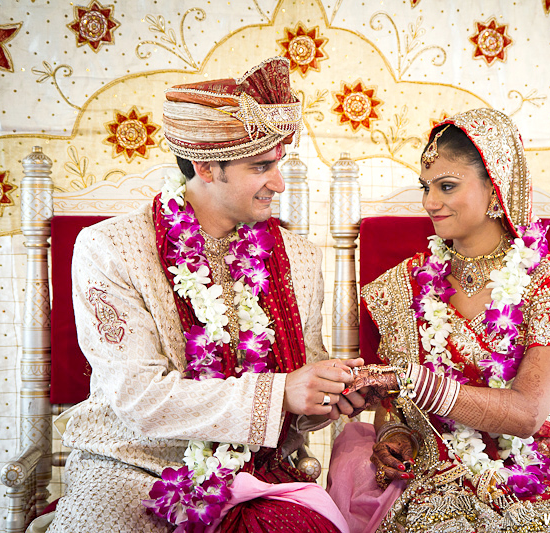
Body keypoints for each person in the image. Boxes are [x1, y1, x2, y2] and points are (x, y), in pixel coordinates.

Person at [47, 57, 364, 533]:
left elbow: (298, 393)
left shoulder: (299, 257)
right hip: (130, 469)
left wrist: (328, 398)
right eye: (262, 167)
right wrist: (281, 392)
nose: (278, 183)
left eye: (279, 164)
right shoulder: (109, 248)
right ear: (205, 167)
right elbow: (136, 397)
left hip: (254, 474)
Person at [327, 108, 550, 532]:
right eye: (426, 187)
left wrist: (412, 381)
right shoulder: (402, 285)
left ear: (495, 189)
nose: (430, 202)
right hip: (443, 474)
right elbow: (394, 410)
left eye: (447, 186)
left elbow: (527, 414)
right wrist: (394, 437)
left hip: (546, 469)